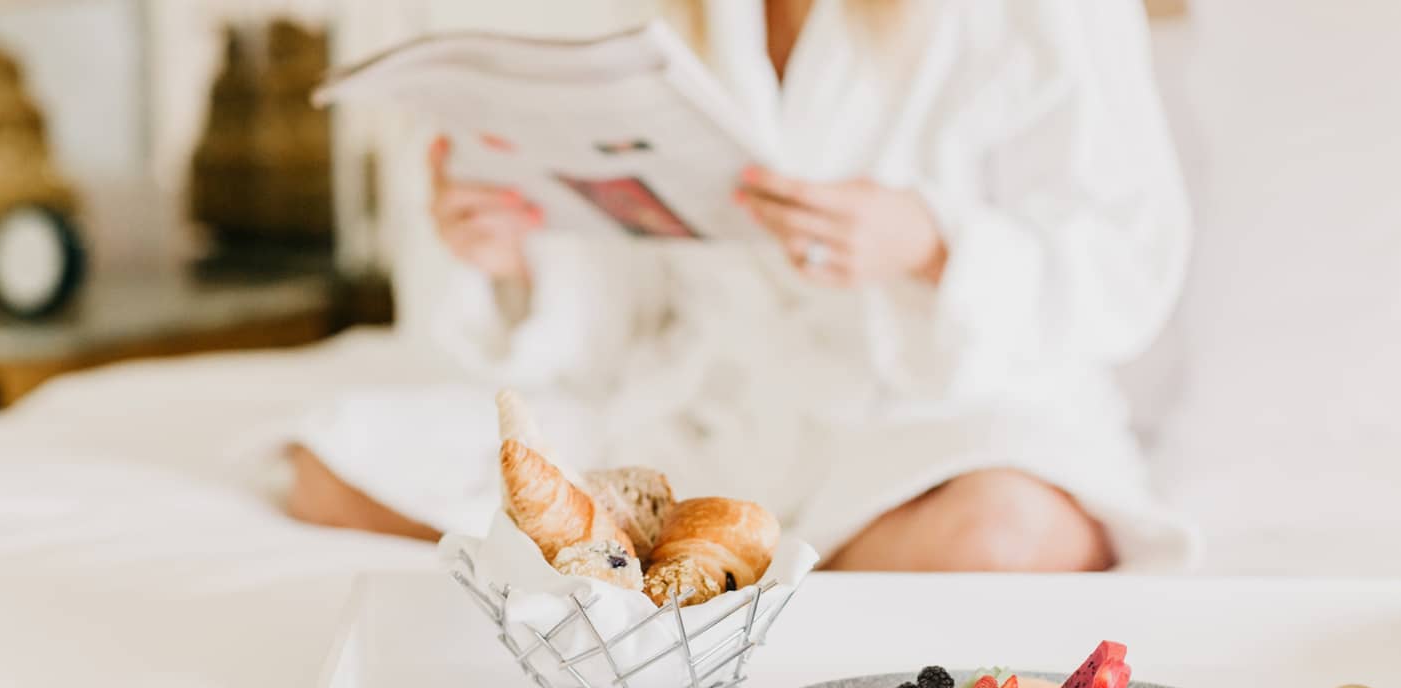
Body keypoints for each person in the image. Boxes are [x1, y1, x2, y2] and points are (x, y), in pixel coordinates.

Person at [286, 0, 1198, 572]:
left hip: (934, 414)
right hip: (712, 409)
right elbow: (639, 294)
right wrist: (519, 254)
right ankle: (723, 572)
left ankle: (678, 576)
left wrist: (932, 242)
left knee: (1003, 540)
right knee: (333, 465)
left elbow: (1127, 255)